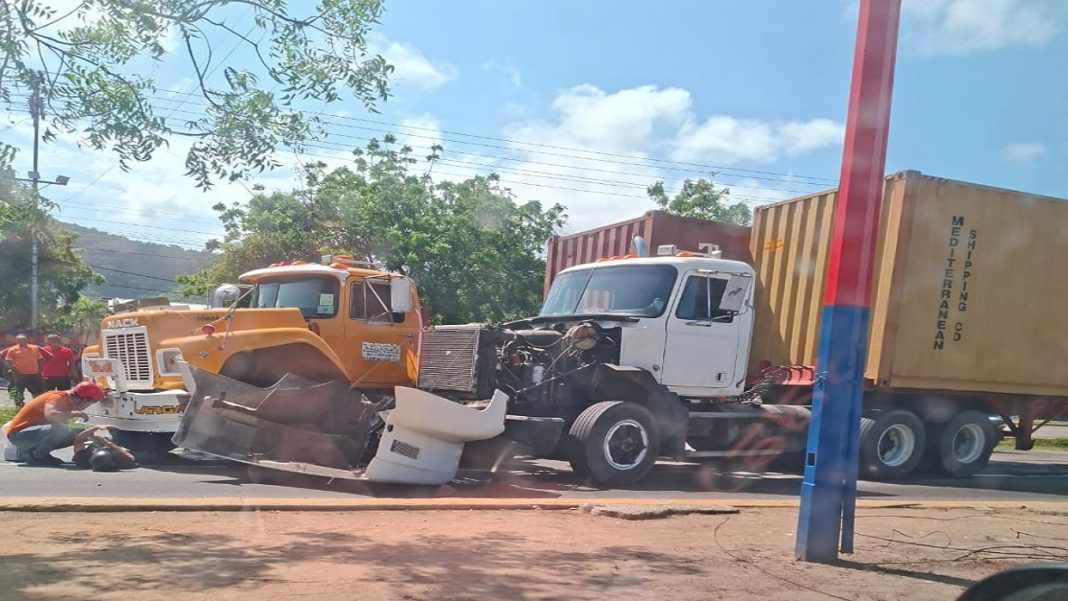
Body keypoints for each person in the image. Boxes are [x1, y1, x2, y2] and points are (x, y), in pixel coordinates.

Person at [2, 381, 106, 466]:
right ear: (85, 399)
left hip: (32, 434)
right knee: (59, 429)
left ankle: (81, 455)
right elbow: (51, 415)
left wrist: (90, 436)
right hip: (19, 436)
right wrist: (74, 414)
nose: (89, 406)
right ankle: (37, 457)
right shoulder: (57, 397)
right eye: (92, 402)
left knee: (80, 432)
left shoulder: (69, 402)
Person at [2, 334, 45, 408]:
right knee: (19, 392)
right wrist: (13, 369)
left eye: (23, 340)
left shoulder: (34, 348)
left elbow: (40, 359)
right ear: (17, 341)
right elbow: (8, 361)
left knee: (36, 392)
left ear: (27, 340)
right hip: (20, 375)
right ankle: (19, 407)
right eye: (19, 340)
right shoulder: (13, 350)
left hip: (33, 374)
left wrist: (39, 368)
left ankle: (37, 407)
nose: (22, 341)